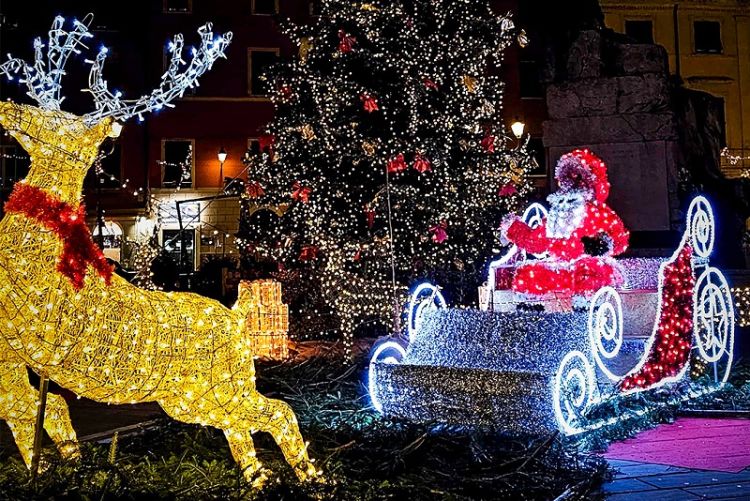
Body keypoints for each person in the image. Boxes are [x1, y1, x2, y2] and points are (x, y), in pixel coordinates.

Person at [501, 149, 629, 296]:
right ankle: (539, 313)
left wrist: (603, 244)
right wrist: (512, 227)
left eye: (578, 178)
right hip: (561, 269)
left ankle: (585, 307)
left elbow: (620, 240)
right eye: (569, 178)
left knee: (590, 271)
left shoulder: (599, 212)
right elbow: (536, 242)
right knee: (529, 274)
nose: (572, 184)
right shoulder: (556, 214)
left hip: (589, 269)